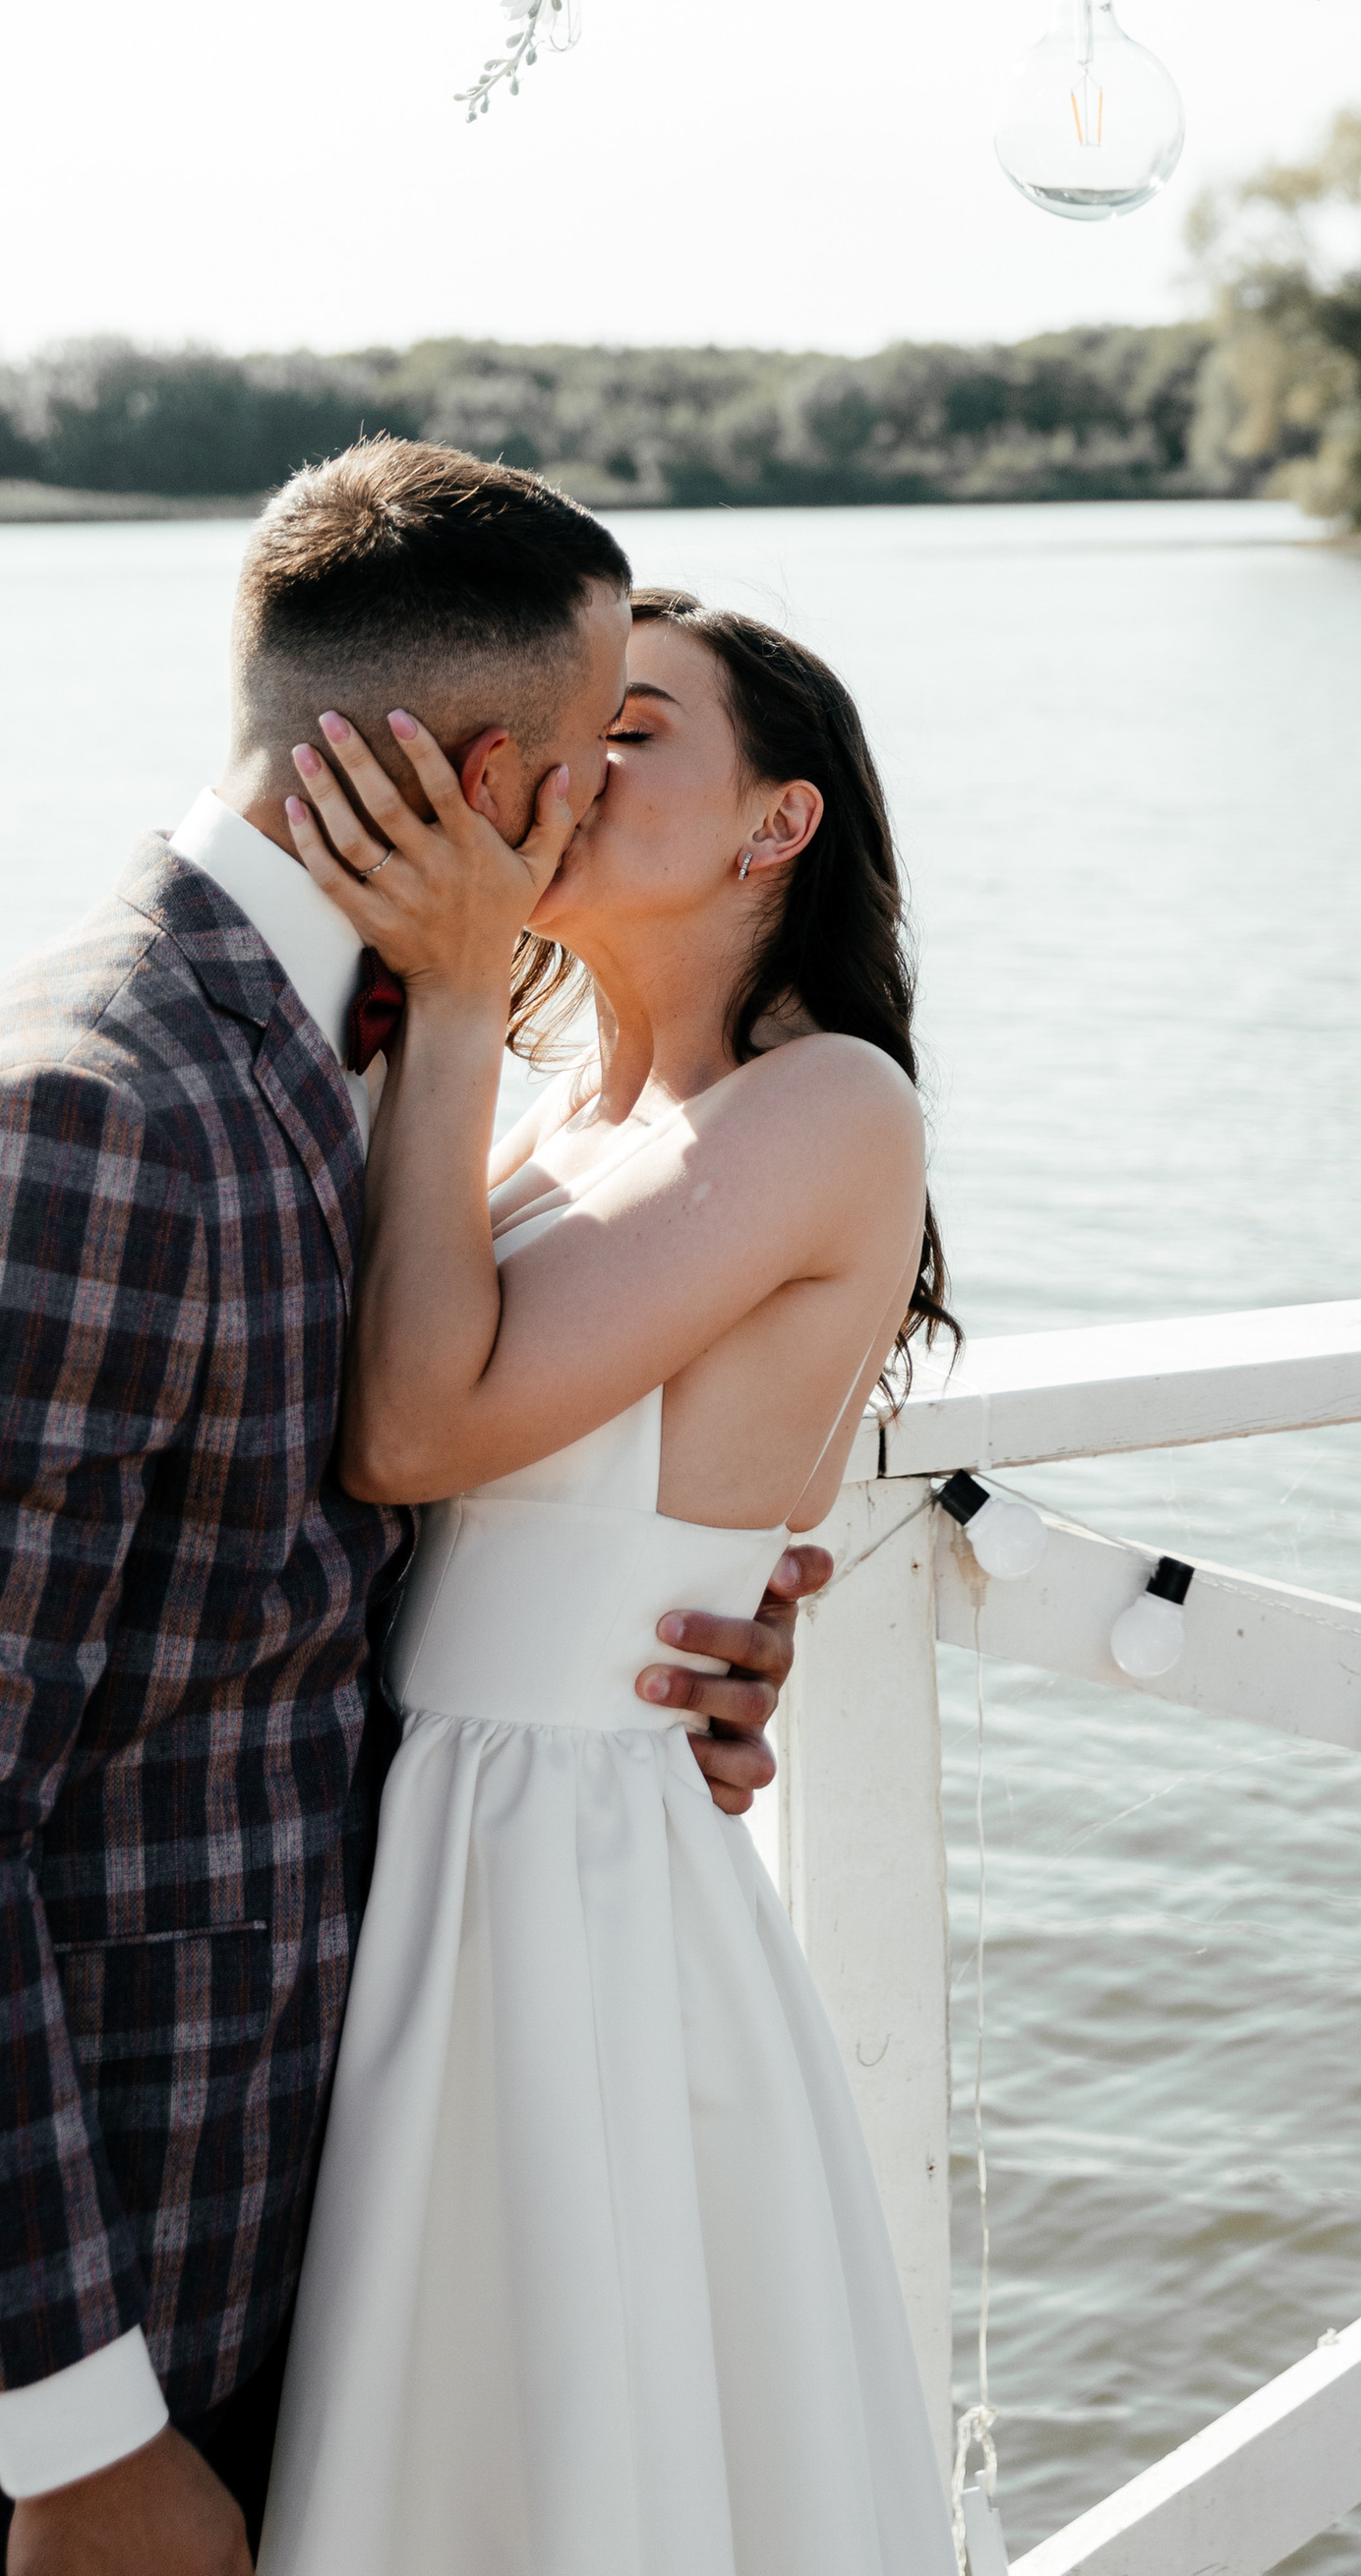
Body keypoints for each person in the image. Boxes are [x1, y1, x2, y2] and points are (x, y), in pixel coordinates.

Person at [0, 451, 825, 2576]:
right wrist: (72, 2432)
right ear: (494, 771)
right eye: (596, 748)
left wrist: (666, 1618)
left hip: (341, 2209)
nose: (600, 797)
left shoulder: (400, 1050)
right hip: (84, 2317)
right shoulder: (89, 1104)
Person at [254, 590, 954, 2576]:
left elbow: (409, 1435)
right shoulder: (555, 1106)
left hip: (563, 1878)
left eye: (634, 729)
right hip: (419, 1837)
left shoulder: (825, 1107)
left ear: (774, 827)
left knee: (566, 2449)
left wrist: (460, 994)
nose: (574, 765)